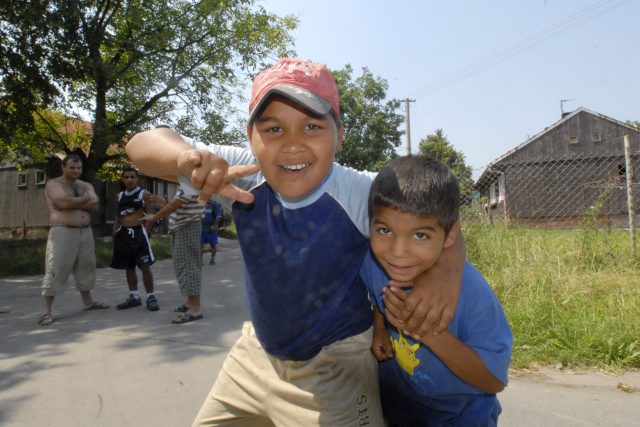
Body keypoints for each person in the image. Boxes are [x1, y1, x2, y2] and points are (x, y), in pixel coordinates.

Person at [126, 58, 465, 426]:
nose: (292, 145)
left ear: (340, 134)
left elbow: (444, 221)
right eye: (273, 128)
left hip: (336, 367)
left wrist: (444, 275)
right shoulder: (238, 173)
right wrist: (184, 158)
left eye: (311, 126)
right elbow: (140, 145)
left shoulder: (363, 191)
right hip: (255, 356)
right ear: (250, 136)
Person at [362, 155, 513, 426]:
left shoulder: (470, 292)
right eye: (384, 230)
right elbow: (376, 295)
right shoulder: (373, 263)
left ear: (450, 235)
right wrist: (380, 327)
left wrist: (428, 333)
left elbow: (493, 381)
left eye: (420, 235)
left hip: (461, 416)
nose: (398, 252)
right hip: (400, 411)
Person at [39, 154, 110, 326]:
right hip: (63, 231)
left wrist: (75, 202)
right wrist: (84, 199)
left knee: (86, 266)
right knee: (57, 268)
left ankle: (88, 302)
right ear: (63, 167)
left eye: (78, 168)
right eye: (72, 167)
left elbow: (95, 205)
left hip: (85, 232)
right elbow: (62, 203)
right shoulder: (54, 184)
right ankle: (47, 312)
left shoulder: (85, 185)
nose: (76, 170)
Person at [145, 186, 206, 323]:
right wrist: (164, 204)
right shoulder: (186, 183)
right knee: (182, 265)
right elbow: (179, 207)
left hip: (187, 226)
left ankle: (195, 309)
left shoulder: (190, 183)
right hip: (182, 226)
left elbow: (175, 205)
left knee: (188, 265)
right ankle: (190, 303)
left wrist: (154, 217)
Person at [111, 167, 163, 311]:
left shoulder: (144, 194)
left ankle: (151, 297)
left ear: (137, 178)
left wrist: (146, 232)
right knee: (129, 266)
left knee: (145, 266)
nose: (129, 180)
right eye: (126, 177)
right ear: (122, 179)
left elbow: (150, 215)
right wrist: (115, 232)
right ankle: (134, 296)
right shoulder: (119, 196)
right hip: (124, 234)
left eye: (132, 177)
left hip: (139, 232)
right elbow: (117, 215)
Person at [200, 199, 222, 265]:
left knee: (213, 244)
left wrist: (215, 226)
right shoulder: (200, 205)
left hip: (211, 228)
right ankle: (200, 261)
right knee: (200, 245)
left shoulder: (215, 206)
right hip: (201, 228)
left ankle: (212, 260)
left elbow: (218, 217)